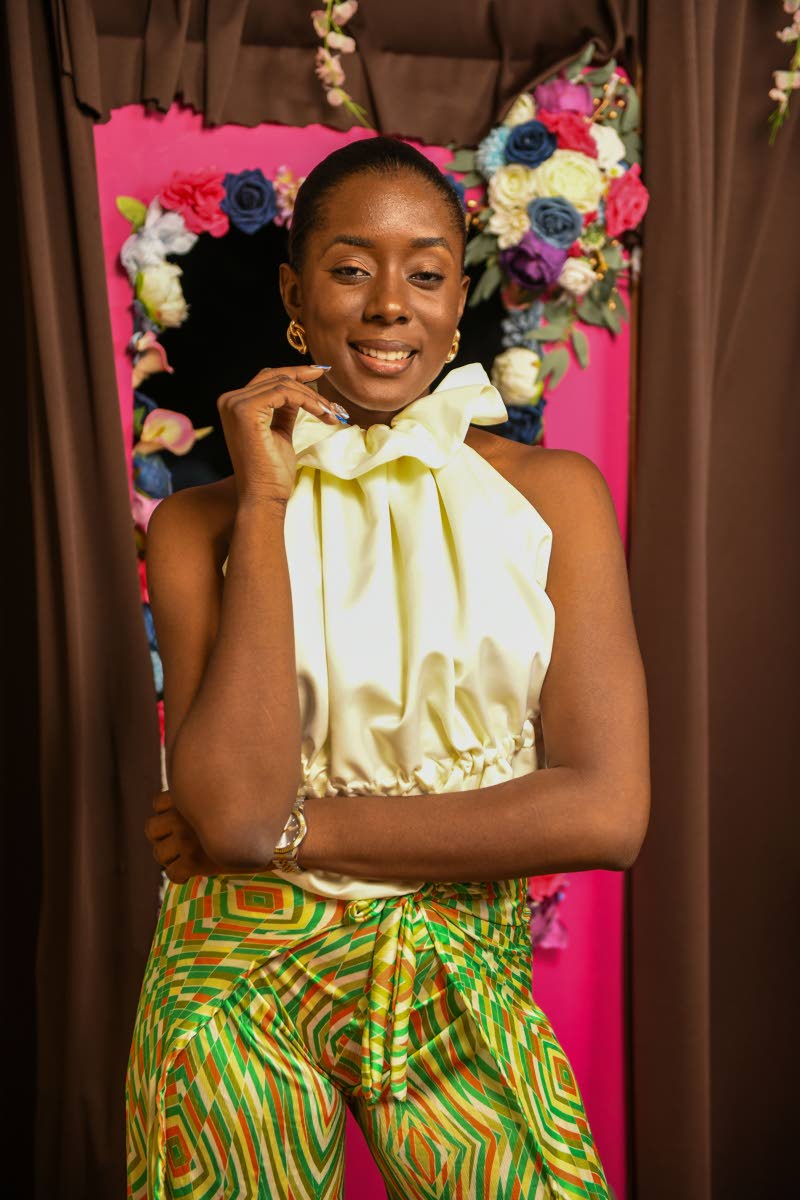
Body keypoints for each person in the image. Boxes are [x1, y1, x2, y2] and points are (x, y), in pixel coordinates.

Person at [126, 135, 650, 1200]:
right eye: (350, 267)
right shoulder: (199, 525)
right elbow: (226, 818)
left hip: (459, 964)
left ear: (459, 299)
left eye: (423, 273)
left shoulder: (552, 497)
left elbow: (605, 813)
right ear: (295, 290)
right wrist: (267, 504)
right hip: (235, 978)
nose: (386, 306)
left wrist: (295, 830)